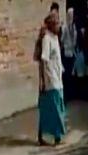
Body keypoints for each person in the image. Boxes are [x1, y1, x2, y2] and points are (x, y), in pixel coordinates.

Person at [38, 13, 66, 146]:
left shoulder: (55, 38)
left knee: (51, 108)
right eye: (57, 24)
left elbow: (57, 58)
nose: (59, 26)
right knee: (55, 109)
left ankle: (45, 134)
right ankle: (57, 136)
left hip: (58, 77)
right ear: (52, 25)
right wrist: (43, 81)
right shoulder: (47, 39)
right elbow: (44, 60)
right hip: (51, 79)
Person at [61, 8, 78, 101]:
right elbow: (62, 40)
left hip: (72, 53)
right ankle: (66, 95)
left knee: (71, 74)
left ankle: (71, 94)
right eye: (69, 15)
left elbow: (75, 41)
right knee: (66, 75)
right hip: (66, 52)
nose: (71, 17)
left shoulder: (74, 27)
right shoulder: (64, 27)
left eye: (72, 15)